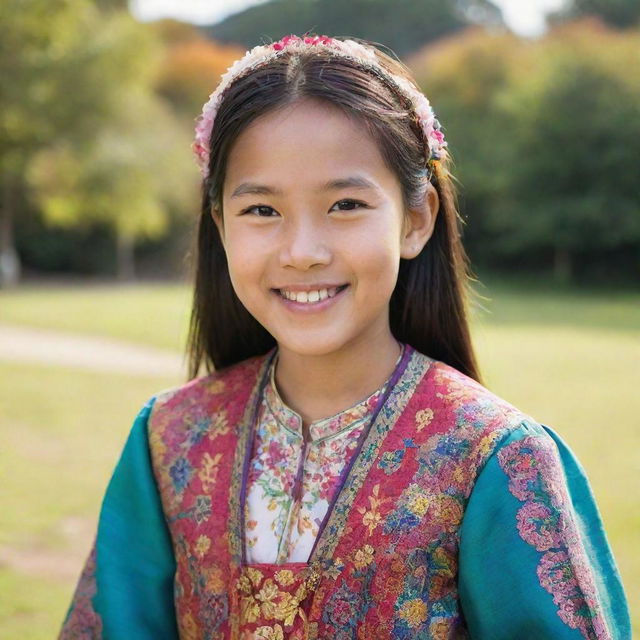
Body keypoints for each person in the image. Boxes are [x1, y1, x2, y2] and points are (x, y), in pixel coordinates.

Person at [59, 34, 630, 639]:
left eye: (346, 204)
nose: (303, 252)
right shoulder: (169, 440)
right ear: (220, 225)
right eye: (261, 211)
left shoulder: (492, 458)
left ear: (416, 221)